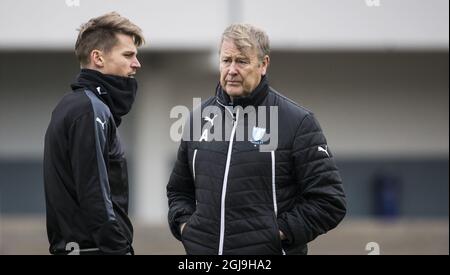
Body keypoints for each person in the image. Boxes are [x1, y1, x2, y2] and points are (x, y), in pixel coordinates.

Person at [167, 24, 346, 255]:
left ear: (263, 65)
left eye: (241, 61)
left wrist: (275, 235)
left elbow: (329, 201)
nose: (231, 70)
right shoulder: (198, 119)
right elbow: (179, 191)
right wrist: (187, 228)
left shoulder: (298, 122)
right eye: (226, 60)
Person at [43, 12, 144, 255]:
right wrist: (119, 249)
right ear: (97, 58)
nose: (137, 63)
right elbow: (95, 195)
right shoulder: (90, 110)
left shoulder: (75, 106)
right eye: (128, 55)